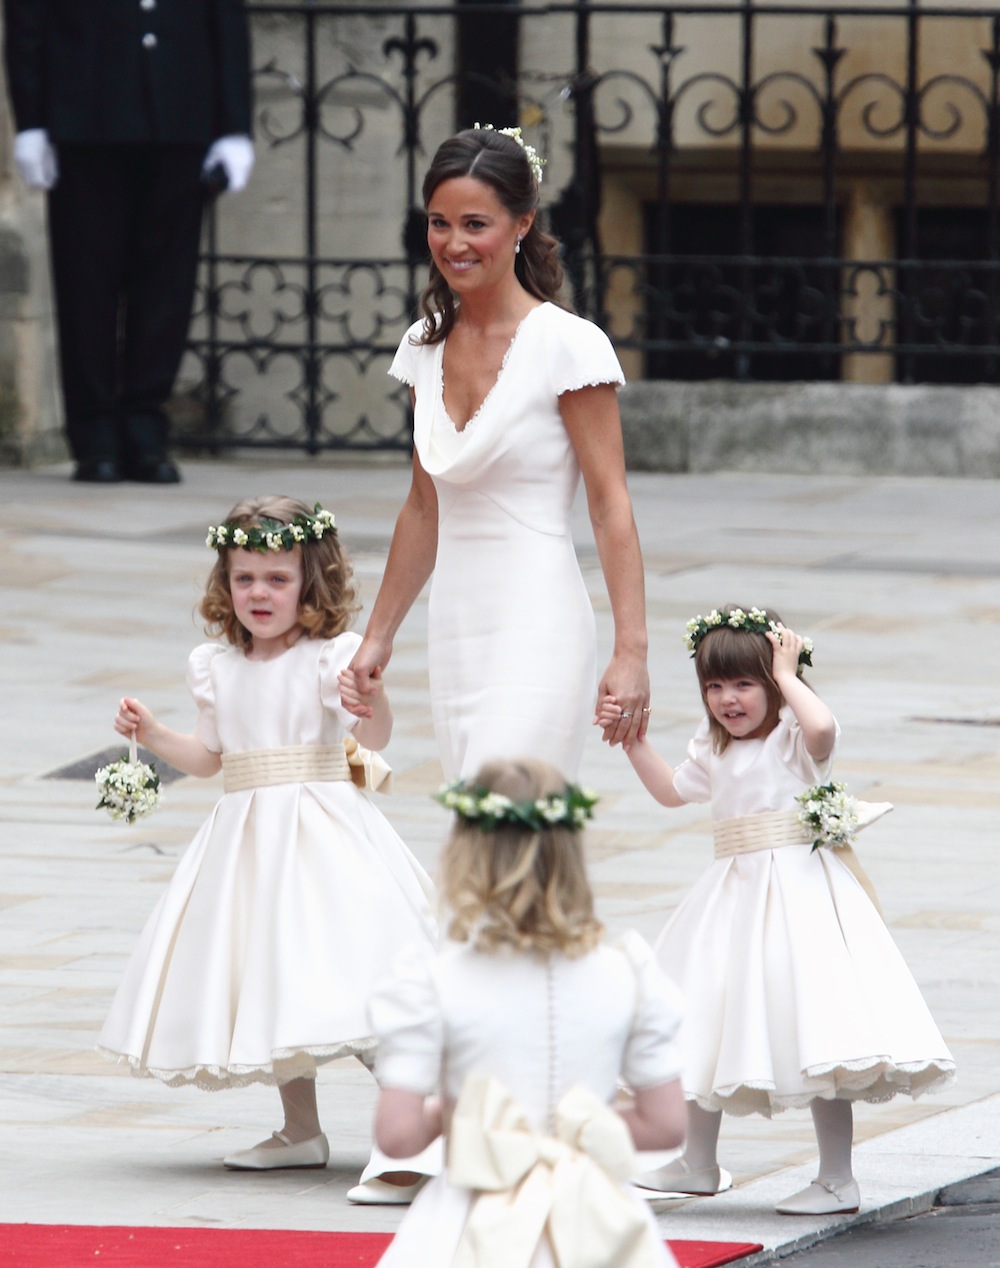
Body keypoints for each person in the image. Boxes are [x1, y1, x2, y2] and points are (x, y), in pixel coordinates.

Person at [97, 497, 438, 1192]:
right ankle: (300, 1130)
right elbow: (209, 757)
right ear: (224, 583)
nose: (259, 593)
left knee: (355, 969)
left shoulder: (328, 659)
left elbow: (371, 740)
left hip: (320, 830)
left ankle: (418, 1124)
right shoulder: (216, 666)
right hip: (246, 839)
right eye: (244, 577)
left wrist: (371, 694)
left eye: (277, 579)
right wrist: (156, 734)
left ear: (311, 583)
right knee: (267, 971)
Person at [597, 606, 956, 1216]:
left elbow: (824, 730)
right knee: (702, 1012)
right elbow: (668, 791)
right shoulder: (712, 750)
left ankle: (838, 1178)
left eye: (744, 684)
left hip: (797, 900)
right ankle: (697, 1162)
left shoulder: (794, 740)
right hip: (729, 896)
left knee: (814, 1027)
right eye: (714, 686)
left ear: (773, 684)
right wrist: (632, 739)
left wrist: (789, 674)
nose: (727, 700)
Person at [344, 124, 651, 782]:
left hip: (539, 620)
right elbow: (423, 508)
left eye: (475, 223)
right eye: (438, 222)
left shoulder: (569, 345)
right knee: (478, 834)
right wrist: (378, 635)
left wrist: (631, 650)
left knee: (515, 812)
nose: (453, 243)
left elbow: (609, 504)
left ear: (522, 223)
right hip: (457, 628)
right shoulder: (422, 345)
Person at [368, 757, 687, 1267]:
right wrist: (575, 1134)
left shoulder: (434, 981)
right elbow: (667, 1124)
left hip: (470, 1216)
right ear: (570, 854)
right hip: (595, 1216)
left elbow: (397, 1137)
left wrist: (454, 1116)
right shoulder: (627, 974)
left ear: (468, 855)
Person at [2, 0, 255, 483]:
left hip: (181, 116)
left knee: (167, 287)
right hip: (85, 116)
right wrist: (31, 120)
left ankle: (145, 430)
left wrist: (235, 126)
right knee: (86, 284)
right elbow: (27, 20)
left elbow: (226, 22)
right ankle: (94, 434)